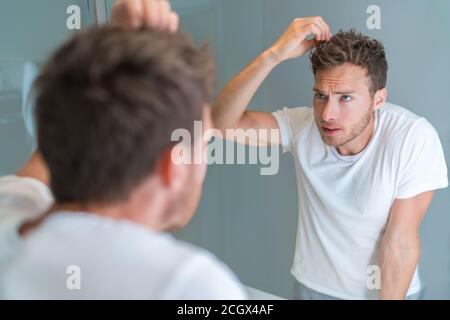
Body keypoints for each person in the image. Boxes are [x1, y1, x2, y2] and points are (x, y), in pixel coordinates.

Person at [0, 1, 247, 299]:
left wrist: (110, 48)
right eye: (204, 143)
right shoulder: (187, 284)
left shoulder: (10, 210)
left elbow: (67, 134)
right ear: (176, 166)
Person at [211, 18, 448, 299]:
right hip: (314, 290)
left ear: (378, 99)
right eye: (320, 96)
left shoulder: (412, 138)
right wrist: (273, 54)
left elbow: (400, 241)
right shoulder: (301, 125)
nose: (327, 114)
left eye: (345, 98)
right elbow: (221, 122)